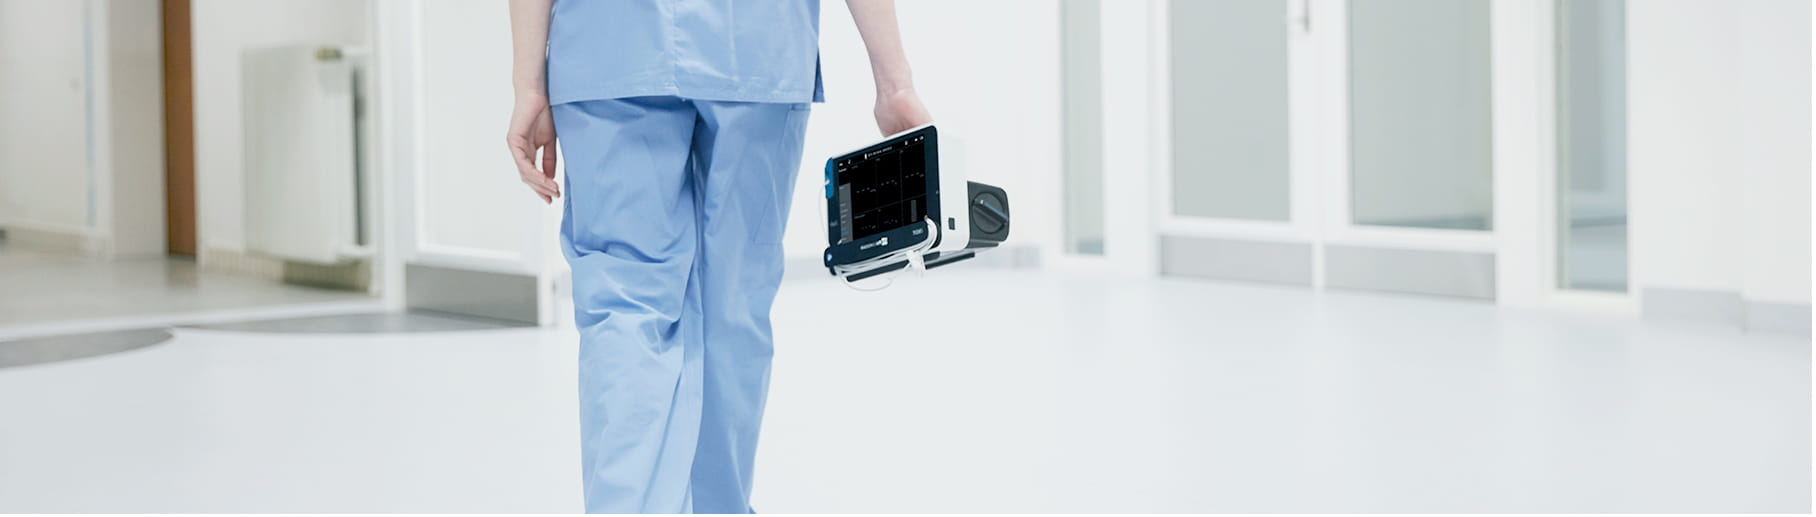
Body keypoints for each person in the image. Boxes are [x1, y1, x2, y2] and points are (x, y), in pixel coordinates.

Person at [505, 0, 931, 512]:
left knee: (624, 305)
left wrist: (529, 84)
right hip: (757, 48)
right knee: (734, 303)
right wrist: (894, 82)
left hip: (608, 48)